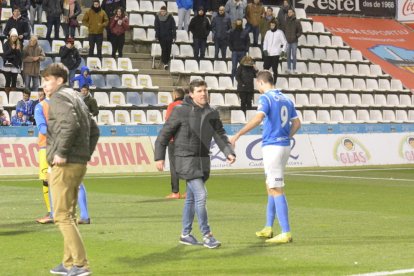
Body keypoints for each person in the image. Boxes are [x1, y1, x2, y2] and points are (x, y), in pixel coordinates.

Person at [154, 79, 236, 249]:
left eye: (205, 90)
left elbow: (219, 134)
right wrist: (159, 157)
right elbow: (164, 134)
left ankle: (185, 234)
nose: (203, 93)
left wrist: (228, 152)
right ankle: (207, 235)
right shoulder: (180, 111)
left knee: (190, 199)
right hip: (185, 159)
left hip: (203, 161)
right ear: (191, 94)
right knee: (201, 195)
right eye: (199, 91)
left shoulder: (212, 112)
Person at [230, 70, 301, 244]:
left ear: (261, 83)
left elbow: (258, 118)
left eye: (257, 84)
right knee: (271, 184)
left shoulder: (266, 98)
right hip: (284, 146)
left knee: (276, 188)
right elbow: (297, 123)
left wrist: (238, 134)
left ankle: (286, 232)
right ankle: (268, 227)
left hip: (273, 147)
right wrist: (287, 136)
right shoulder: (286, 99)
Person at [43, 63, 99, 276]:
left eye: (47, 80)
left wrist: (62, 152)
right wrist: (85, 154)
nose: (44, 85)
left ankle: (80, 265)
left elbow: (70, 124)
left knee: (61, 216)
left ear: (58, 80)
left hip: (64, 164)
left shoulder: (59, 98)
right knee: (69, 214)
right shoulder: (77, 97)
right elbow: (95, 130)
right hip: (78, 163)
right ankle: (68, 263)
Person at [34, 88, 92, 226]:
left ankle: (54, 214)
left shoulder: (41, 106)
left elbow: (42, 129)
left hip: (50, 147)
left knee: (51, 180)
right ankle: (84, 215)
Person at [164, 88, 185, 199]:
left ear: (175, 95)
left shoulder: (172, 106)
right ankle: (190, 192)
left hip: (174, 140)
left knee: (174, 166)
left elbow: (168, 121)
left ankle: (175, 192)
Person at [263, 19, 286, 84]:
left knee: (274, 68)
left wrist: (283, 51)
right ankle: (266, 81)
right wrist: (265, 49)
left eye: (273, 25)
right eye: (271, 25)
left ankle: (274, 82)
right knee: (265, 67)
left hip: (276, 53)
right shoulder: (268, 32)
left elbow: (284, 42)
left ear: (275, 25)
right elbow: (265, 41)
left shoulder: (280, 32)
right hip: (268, 53)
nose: (272, 26)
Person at [154, 6, 176, 70]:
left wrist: (174, 36)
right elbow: (156, 27)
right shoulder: (157, 17)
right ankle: (165, 62)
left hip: (169, 36)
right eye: (161, 11)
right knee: (164, 49)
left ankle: (167, 61)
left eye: (164, 11)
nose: (162, 12)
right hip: (161, 36)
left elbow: (173, 27)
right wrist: (156, 36)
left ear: (166, 11)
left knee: (168, 49)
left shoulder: (170, 17)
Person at [3, 28, 22, 95]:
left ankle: (12, 96)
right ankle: (7, 96)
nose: (14, 37)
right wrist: (11, 49)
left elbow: (19, 56)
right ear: (10, 36)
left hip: (15, 65)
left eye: (15, 36)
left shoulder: (19, 44)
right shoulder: (6, 43)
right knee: (8, 81)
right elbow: (5, 54)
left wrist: (16, 50)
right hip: (7, 65)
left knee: (14, 82)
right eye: (13, 36)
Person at [285, 8, 302, 74]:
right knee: (288, 55)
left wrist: (296, 36)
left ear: (293, 13)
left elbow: (300, 31)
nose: (289, 13)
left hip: (294, 41)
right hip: (287, 41)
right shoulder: (286, 21)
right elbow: (284, 30)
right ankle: (289, 69)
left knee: (294, 55)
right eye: (288, 12)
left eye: (290, 12)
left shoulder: (297, 21)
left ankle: (294, 69)